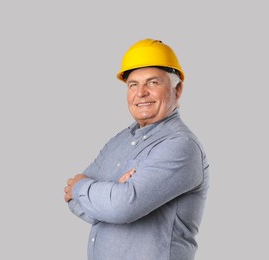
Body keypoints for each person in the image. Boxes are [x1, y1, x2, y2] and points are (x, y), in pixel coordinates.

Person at [63, 38, 209, 260]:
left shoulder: (180, 146)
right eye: (133, 84)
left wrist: (82, 188)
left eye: (152, 83)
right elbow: (73, 202)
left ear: (177, 89)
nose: (141, 93)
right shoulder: (119, 141)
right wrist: (108, 195)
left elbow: (121, 207)